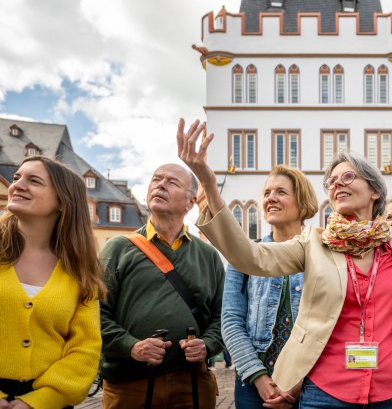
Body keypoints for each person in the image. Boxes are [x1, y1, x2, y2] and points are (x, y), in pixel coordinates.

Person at [177, 118, 392, 409]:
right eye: (331, 181)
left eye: (347, 177)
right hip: (326, 393)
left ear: (375, 190)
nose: (336, 184)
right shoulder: (313, 242)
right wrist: (210, 187)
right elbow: (252, 258)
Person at [99, 163, 225, 408]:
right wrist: (132, 347)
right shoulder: (118, 248)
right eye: (156, 180)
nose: (160, 185)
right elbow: (94, 313)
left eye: (172, 182)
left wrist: (207, 346)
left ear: (190, 202)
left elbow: (224, 316)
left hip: (192, 383)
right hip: (129, 384)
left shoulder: (208, 255)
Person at [0, 156, 103, 408]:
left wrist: (40, 400)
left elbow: (85, 348)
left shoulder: (80, 271)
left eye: (33, 181)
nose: (17, 185)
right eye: (16, 178)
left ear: (62, 202)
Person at [223, 165, 318, 408]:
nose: (270, 198)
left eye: (281, 192)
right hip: (254, 385)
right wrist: (259, 377)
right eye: (266, 193)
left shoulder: (323, 257)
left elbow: (332, 325)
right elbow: (231, 321)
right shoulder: (243, 256)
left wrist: (299, 383)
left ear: (302, 201)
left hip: (310, 384)